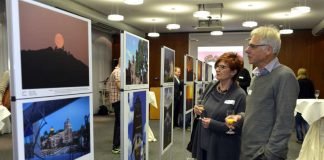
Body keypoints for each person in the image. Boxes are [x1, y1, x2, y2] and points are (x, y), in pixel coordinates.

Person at [227, 26, 299, 160]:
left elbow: (285, 122)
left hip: (263, 155)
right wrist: (241, 117)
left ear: (268, 50)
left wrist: (270, 154)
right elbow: (256, 112)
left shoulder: (284, 76)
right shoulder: (257, 76)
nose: (247, 50)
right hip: (248, 151)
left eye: (252, 46)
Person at [191, 52, 246, 160]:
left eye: (223, 67)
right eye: (217, 66)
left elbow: (239, 127)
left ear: (233, 72)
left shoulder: (240, 95)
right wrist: (196, 109)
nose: (217, 69)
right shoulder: (211, 86)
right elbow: (201, 105)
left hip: (223, 148)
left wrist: (213, 124)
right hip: (203, 141)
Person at [295, 67, 314, 143]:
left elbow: (294, 93)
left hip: (299, 104)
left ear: (298, 73)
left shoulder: (297, 82)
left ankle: (300, 138)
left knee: (298, 122)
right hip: (308, 104)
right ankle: (308, 138)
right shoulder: (310, 82)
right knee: (306, 121)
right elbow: (313, 93)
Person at [107, 58, 121, 154]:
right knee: (119, 123)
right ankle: (115, 146)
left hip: (118, 100)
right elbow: (120, 87)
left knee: (119, 122)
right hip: (118, 100)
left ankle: (118, 144)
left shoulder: (118, 71)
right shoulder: (117, 72)